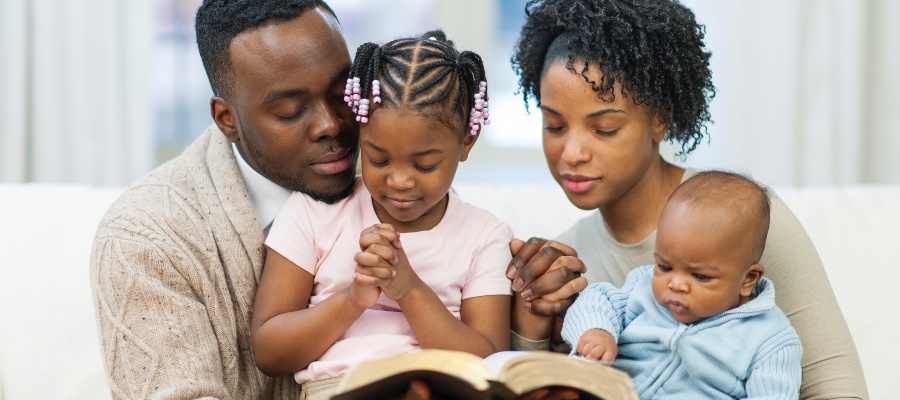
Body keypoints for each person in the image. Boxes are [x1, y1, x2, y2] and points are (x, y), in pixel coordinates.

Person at [504, 0, 868, 398]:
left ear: (660, 118)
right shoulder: (566, 259)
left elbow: (835, 385)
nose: (571, 153)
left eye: (605, 128)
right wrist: (530, 322)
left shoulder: (742, 217)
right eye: (553, 125)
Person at [90, 1, 367, 398]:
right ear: (227, 120)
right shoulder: (144, 239)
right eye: (290, 111)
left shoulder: (397, 185)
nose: (331, 124)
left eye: (343, 92)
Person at [249, 31, 512, 399]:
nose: (400, 181)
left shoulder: (485, 235)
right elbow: (270, 351)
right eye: (378, 159)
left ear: (466, 141)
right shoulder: (314, 211)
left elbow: (489, 360)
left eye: (424, 164)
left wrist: (408, 289)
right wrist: (354, 297)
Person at [563, 170, 802, 398]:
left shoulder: (770, 340)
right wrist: (596, 331)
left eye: (699, 276)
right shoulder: (642, 287)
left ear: (747, 279)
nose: (676, 284)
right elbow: (597, 298)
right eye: (665, 267)